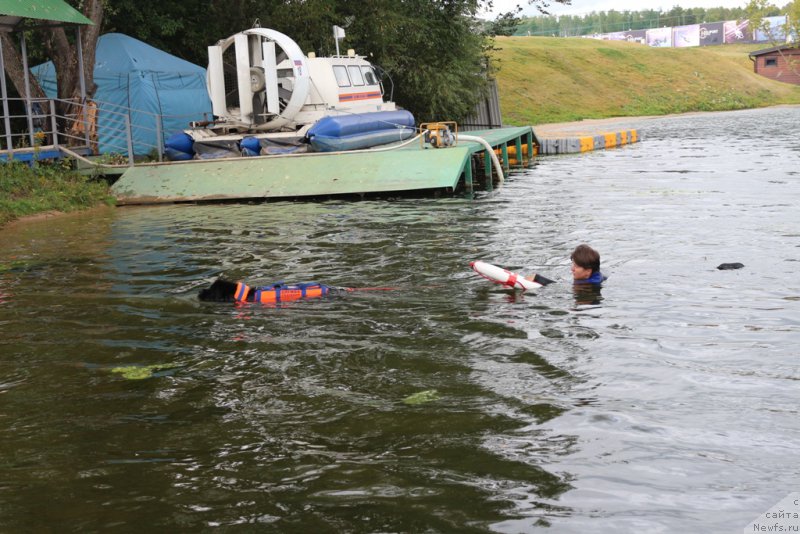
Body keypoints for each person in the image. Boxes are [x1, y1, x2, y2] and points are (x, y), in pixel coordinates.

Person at [524, 244, 605, 285]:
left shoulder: (590, 284)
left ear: (588, 271)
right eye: (573, 264)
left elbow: (558, 286)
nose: (572, 269)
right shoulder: (594, 275)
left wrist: (537, 278)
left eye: (576, 266)